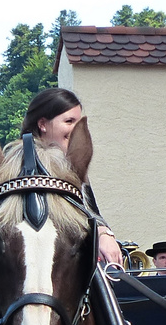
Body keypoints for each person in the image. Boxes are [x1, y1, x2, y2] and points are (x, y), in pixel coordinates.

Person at [21, 88, 123, 268]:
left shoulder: (72, 166)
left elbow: (92, 213)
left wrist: (104, 233)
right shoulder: (21, 168)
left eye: (79, 122)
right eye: (69, 121)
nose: (77, 130)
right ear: (43, 124)